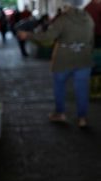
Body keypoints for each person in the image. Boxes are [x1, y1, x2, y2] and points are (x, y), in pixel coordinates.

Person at [18, 0, 94, 128]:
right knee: (82, 89)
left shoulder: (63, 19)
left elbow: (48, 36)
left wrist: (28, 35)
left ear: (68, 5)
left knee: (60, 86)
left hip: (63, 58)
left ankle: (60, 113)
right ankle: (82, 118)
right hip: (84, 58)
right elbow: (91, 40)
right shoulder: (89, 19)